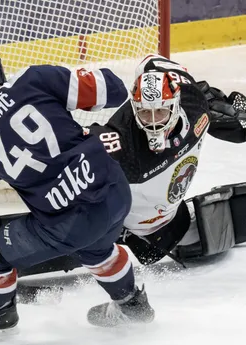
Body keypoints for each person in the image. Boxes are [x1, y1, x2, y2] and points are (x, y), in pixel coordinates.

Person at [0, 45, 155, 336]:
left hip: (68, 222)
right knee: (95, 248)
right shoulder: (36, 79)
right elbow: (116, 90)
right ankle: (131, 303)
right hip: (113, 192)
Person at [84, 54, 246, 266]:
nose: (152, 122)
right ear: (134, 109)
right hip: (134, 231)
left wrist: (225, 107)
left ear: (175, 104)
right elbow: (71, 149)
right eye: (144, 113)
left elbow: (151, 62)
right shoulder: (124, 145)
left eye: (160, 111)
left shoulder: (195, 103)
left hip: (171, 220)